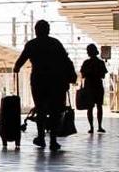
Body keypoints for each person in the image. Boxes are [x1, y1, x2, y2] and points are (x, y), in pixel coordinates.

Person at [13, 19, 77, 151]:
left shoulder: (32, 44)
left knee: (40, 110)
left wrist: (16, 68)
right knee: (55, 111)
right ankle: (53, 140)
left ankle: (41, 138)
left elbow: (20, 62)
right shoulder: (55, 43)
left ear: (36, 31)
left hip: (38, 81)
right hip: (56, 82)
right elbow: (65, 60)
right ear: (48, 30)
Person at [79, 43, 108, 133]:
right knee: (99, 107)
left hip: (89, 87)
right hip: (98, 86)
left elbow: (83, 75)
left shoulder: (86, 63)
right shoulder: (100, 62)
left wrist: (89, 73)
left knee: (90, 108)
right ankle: (99, 126)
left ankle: (91, 127)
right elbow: (103, 75)